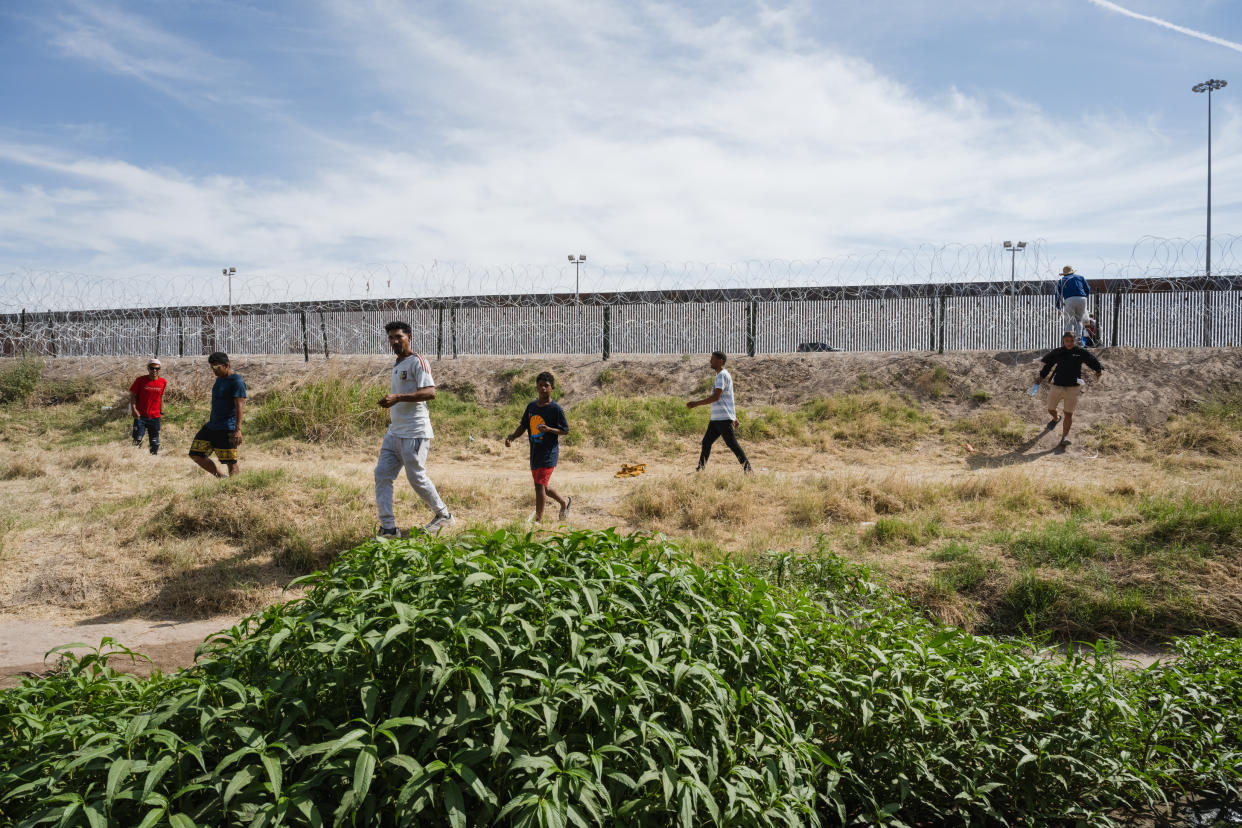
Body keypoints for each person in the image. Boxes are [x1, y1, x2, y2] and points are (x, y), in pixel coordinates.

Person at [374, 321, 453, 538]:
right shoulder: (398, 362)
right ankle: (388, 528)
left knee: (416, 477)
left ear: (409, 336)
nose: (394, 341)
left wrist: (398, 398)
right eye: (391, 338)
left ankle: (444, 515)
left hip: (414, 432)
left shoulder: (418, 361)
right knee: (382, 474)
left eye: (398, 336)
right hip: (394, 432)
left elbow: (430, 392)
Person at [505, 371, 572, 522]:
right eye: (540, 385)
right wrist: (513, 436)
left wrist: (549, 429)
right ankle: (564, 502)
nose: (542, 388)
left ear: (552, 388)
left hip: (549, 453)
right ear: (536, 387)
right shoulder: (531, 407)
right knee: (544, 487)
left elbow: (565, 430)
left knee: (539, 486)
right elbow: (524, 425)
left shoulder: (555, 409)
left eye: (546, 386)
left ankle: (538, 520)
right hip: (535, 452)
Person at [687, 351, 752, 473]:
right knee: (706, 442)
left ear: (720, 361)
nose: (710, 361)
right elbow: (728, 398)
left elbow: (716, 397)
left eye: (713, 359)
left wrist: (696, 403)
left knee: (732, 445)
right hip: (717, 419)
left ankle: (748, 469)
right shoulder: (722, 375)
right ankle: (700, 469)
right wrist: (734, 417)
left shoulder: (721, 375)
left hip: (722, 419)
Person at [1036, 332, 1104, 447]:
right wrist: (1041, 377)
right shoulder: (1058, 352)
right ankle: (1056, 418)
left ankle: (1065, 437)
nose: (1069, 343)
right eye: (1067, 341)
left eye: (1072, 341)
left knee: (1068, 414)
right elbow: (1048, 366)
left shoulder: (1080, 352)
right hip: (1057, 386)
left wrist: (1098, 370)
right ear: (1063, 341)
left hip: (1073, 388)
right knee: (1050, 409)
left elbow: (1091, 360)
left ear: (1075, 341)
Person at [189, 352, 246, 477]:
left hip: (227, 428)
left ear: (226, 365)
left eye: (216, 367)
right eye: (211, 367)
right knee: (195, 454)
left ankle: (235, 487)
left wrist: (238, 430)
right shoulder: (219, 379)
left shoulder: (236, 382)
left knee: (230, 462)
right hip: (212, 426)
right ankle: (221, 477)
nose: (213, 370)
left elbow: (239, 407)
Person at [129, 357, 167, 455]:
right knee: (137, 438)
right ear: (148, 368)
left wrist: (161, 410)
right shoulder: (140, 380)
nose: (154, 370)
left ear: (160, 369)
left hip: (155, 417)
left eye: (157, 368)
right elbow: (133, 395)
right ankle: (134, 457)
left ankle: (153, 458)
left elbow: (161, 396)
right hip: (140, 416)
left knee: (155, 441)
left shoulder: (163, 382)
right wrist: (133, 409)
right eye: (152, 368)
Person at [1055, 266, 1091, 345]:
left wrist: (1059, 308)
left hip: (1069, 300)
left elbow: (1057, 294)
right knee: (1079, 320)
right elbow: (1088, 289)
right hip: (1082, 299)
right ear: (1072, 272)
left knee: (1069, 321)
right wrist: (1084, 297)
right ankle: (1078, 339)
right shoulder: (1080, 277)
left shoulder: (1061, 280)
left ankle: (1069, 339)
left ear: (1064, 274)